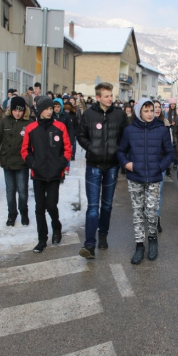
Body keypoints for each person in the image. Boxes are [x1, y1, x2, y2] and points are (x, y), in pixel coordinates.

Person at [117, 98, 174, 264]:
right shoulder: (129, 130)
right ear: (139, 112)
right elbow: (121, 151)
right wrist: (127, 164)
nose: (150, 114)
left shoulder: (161, 130)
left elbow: (169, 153)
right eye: (146, 110)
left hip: (154, 179)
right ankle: (139, 245)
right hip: (135, 178)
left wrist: (159, 166)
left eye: (152, 110)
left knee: (150, 212)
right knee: (137, 213)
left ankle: (153, 239)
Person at [77, 82, 128, 259]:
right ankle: (89, 244)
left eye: (111, 95)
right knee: (93, 207)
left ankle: (103, 234)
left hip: (112, 166)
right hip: (93, 166)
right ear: (98, 97)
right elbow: (80, 135)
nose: (110, 99)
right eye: (106, 96)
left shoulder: (119, 115)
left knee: (106, 204)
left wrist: (118, 150)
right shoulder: (88, 115)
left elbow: (125, 136)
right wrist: (91, 147)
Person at [21, 96, 72, 253]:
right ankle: (41, 239)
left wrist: (60, 165)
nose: (50, 111)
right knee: (39, 208)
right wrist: (33, 164)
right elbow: (25, 151)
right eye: (47, 109)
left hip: (55, 174)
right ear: (40, 110)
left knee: (51, 205)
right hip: (38, 174)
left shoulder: (60, 127)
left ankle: (56, 227)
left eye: (51, 109)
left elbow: (67, 149)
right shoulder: (31, 129)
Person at [0, 96, 31, 227]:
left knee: (23, 190)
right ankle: (12, 214)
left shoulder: (28, 123)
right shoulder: (5, 121)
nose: (17, 113)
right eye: (15, 110)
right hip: (7, 161)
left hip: (22, 163)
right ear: (11, 110)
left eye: (20, 110)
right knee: (10, 190)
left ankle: (24, 211)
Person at [154, 99, 173, 231]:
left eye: (158, 107)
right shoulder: (141, 124)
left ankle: (157, 218)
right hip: (146, 164)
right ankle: (149, 215)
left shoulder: (165, 125)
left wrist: (165, 164)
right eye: (153, 107)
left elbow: (169, 146)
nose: (156, 109)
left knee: (158, 192)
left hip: (160, 163)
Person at [53, 97, 73, 174]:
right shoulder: (51, 116)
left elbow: (70, 128)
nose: (56, 109)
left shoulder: (66, 115)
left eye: (58, 107)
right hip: (54, 138)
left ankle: (66, 166)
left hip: (64, 138)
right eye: (54, 107)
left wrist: (71, 140)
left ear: (61, 107)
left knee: (66, 152)